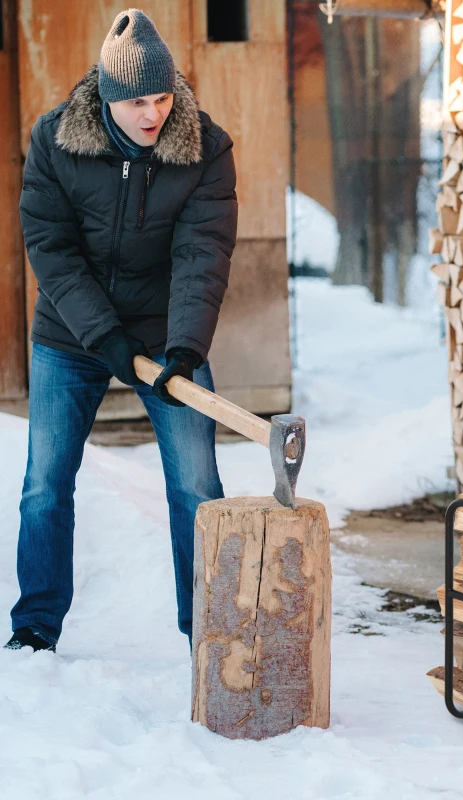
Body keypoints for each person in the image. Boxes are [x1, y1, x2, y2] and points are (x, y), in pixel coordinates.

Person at [4, 8, 238, 654]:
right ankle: (35, 626)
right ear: (108, 97)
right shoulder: (56, 141)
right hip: (72, 334)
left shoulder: (204, 149)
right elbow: (51, 249)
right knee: (45, 484)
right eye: (137, 100)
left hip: (167, 333)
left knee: (197, 486)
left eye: (163, 97)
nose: (152, 114)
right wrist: (102, 335)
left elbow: (203, 254)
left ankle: (208, 634)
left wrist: (186, 349)